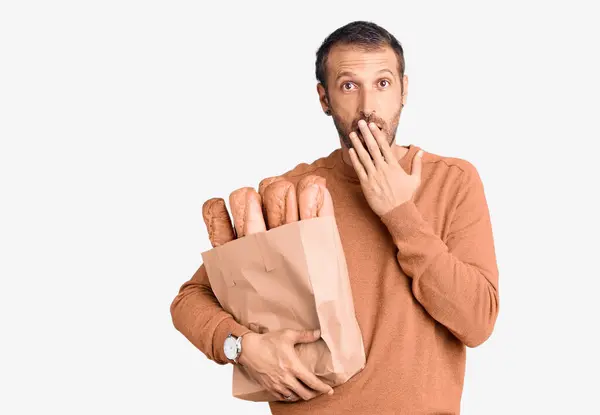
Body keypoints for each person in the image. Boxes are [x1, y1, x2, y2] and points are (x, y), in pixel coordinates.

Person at [170, 20, 499, 414]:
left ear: (404, 90)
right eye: (348, 86)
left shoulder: (453, 181)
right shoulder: (291, 191)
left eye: (382, 83)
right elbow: (189, 301)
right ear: (324, 99)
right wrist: (242, 346)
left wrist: (399, 213)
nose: (367, 106)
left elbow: (477, 322)